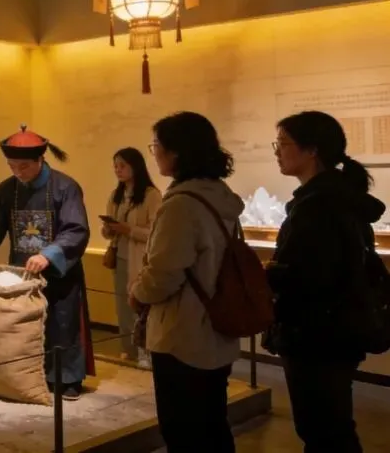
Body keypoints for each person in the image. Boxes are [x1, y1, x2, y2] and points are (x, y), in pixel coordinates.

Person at [264, 111, 382, 453]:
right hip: (334, 330)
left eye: (283, 143)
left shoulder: (319, 206)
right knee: (331, 425)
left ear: (312, 150)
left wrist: (268, 274)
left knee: (323, 429)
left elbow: (312, 276)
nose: (277, 151)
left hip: (315, 334)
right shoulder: (335, 197)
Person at [129, 111, 242, 453]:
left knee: (183, 432)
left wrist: (138, 293)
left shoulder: (181, 205)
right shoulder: (218, 195)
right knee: (213, 425)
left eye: (156, 146)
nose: (154, 153)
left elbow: (164, 273)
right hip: (216, 328)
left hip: (182, 335)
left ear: (175, 152)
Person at [0, 125, 95, 401]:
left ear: (40, 159)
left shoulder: (65, 187)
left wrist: (48, 255)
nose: (18, 172)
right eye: (12, 166)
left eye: (24, 166)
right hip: (22, 275)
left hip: (60, 274)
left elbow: (76, 229)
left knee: (62, 324)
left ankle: (67, 379)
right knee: (24, 326)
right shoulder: (7, 189)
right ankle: (26, 376)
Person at [101, 147, 161, 367]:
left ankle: (145, 351)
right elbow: (107, 233)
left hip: (140, 258)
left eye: (122, 166)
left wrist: (129, 229)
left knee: (140, 305)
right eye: (115, 166)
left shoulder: (151, 195)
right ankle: (127, 348)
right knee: (122, 307)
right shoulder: (116, 195)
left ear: (135, 166)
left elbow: (156, 232)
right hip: (120, 256)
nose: (118, 170)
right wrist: (109, 228)